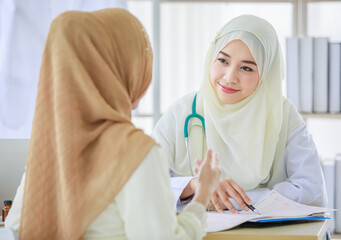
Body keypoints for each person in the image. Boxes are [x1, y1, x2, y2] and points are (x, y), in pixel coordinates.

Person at [5, 8, 221, 239]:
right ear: (126, 68)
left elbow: (16, 229)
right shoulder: (136, 152)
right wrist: (202, 196)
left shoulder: (47, 151)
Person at [153, 14, 327, 213]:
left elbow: (311, 189)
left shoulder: (284, 115)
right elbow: (145, 183)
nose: (229, 77)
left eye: (246, 68)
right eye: (223, 60)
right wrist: (195, 185)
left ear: (266, 74)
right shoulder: (180, 113)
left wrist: (232, 199)